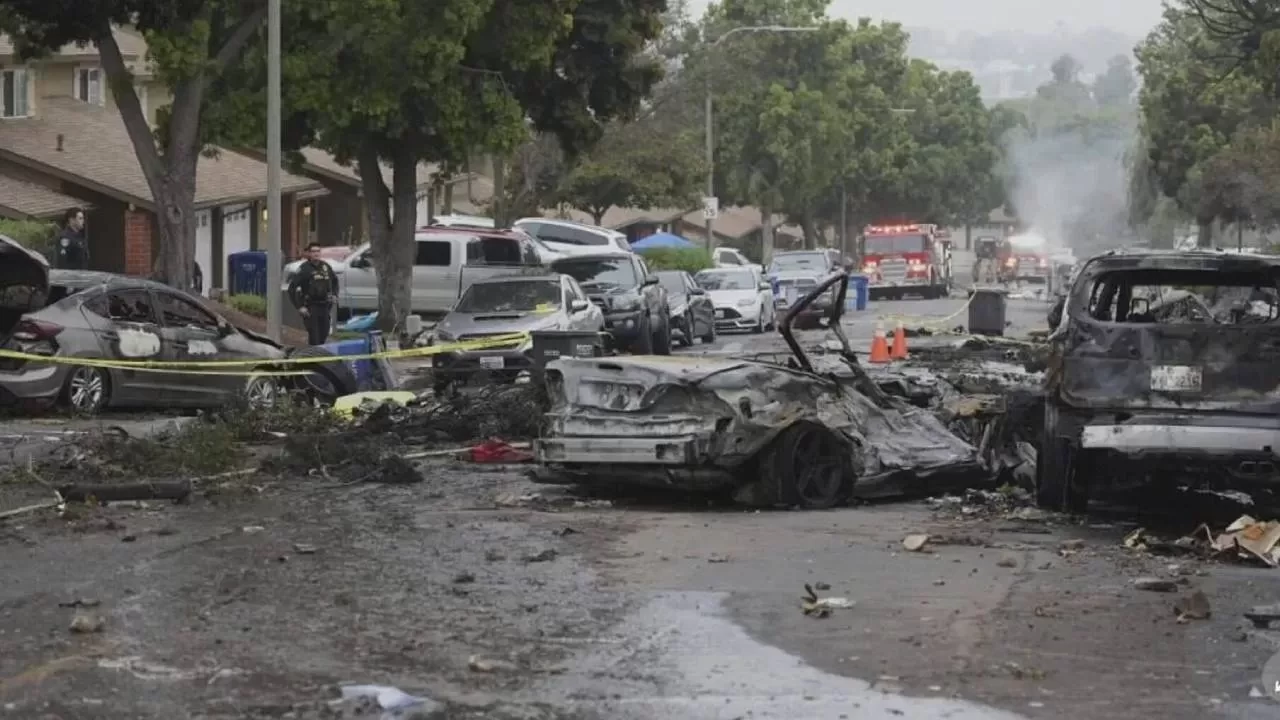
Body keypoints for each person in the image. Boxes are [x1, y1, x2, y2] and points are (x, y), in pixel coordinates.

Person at [288, 243, 339, 345]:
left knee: (324, 335)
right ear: (309, 254)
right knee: (314, 338)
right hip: (311, 308)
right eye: (313, 251)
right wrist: (300, 307)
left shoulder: (325, 266)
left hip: (325, 307)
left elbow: (335, 281)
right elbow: (292, 288)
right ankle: (313, 359)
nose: (316, 254)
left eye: (318, 251)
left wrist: (334, 295)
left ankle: (320, 357)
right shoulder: (304, 269)